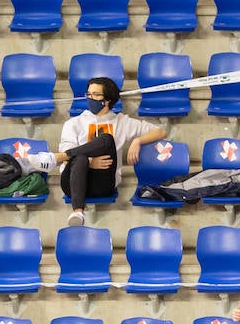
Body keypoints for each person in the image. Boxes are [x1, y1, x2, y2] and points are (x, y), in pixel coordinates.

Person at [50, 76, 166, 227]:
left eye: (96, 95)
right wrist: (90, 162)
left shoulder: (122, 122)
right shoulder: (73, 123)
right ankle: (77, 212)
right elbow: (68, 157)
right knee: (79, 158)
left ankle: (59, 158)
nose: (91, 98)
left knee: (106, 139)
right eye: (89, 94)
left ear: (108, 100)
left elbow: (160, 132)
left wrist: (138, 141)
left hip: (103, 183)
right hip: (72, 183)